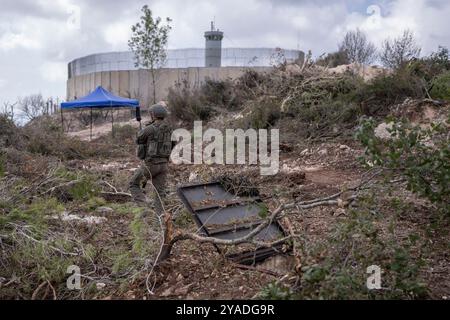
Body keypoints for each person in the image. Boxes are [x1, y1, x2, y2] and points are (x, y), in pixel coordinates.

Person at [129, 103, 173, 214]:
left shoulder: (150, 128)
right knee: (159, 193)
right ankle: (159, 219)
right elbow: (173, 144)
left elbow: (138, 138)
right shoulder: (170, 129)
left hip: (151, 165)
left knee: (133, 183)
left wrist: (146, 127)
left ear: (153, 115)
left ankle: (144, 209)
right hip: (164, 165)